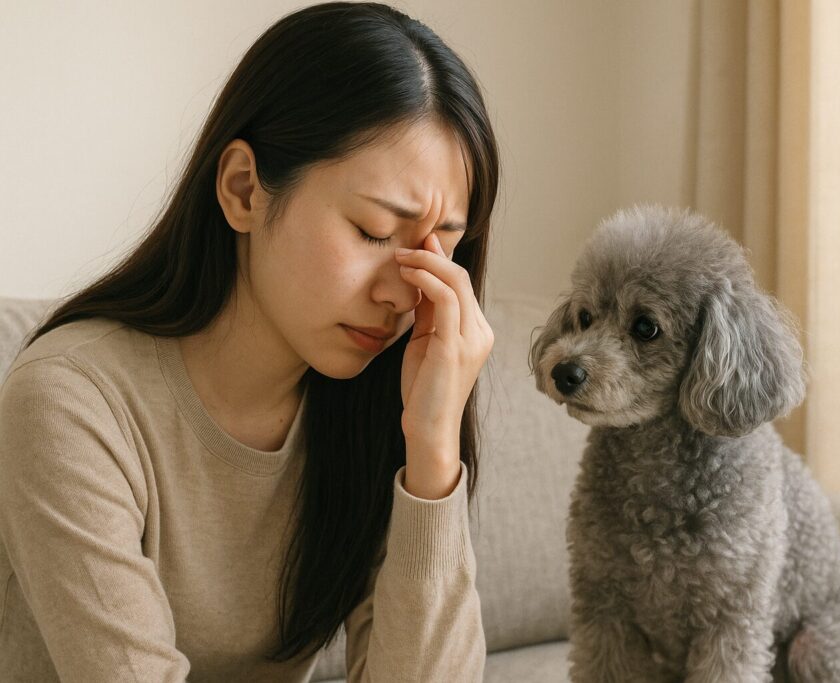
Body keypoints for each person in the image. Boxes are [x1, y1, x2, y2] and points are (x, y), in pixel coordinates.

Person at [0, 2, 498, 681]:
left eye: (440, 252)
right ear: (243, 191)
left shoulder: (380, 404)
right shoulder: (70, 403)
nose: (403, 293)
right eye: (375, 231)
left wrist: (433, 451)